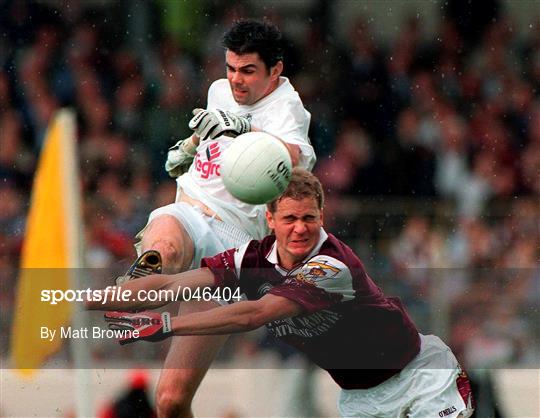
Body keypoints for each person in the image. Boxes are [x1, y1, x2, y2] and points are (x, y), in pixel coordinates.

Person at [89, 169, 475, 418]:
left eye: (309, 217)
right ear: (270, 220)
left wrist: (169, 323)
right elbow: (175, 283)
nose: (300, 228)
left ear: (321, 216)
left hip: (420, 380)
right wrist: (86, 299)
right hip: (362, 401)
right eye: (289, 218)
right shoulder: (251, 258)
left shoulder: (331, 265)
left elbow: (252, 315)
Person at [128, 20, 315, 418]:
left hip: (232, 252)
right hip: (191, 211)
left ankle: (152, 290)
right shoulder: (218, 90)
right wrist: (189, 146)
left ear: (275, 70)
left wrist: (244, 128)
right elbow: (208, 139)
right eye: (231, 68)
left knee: (171, 401)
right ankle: (145, 283)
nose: (236, 80)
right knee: (167, 240)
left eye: (248, 70)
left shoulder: (288, 107)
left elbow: (296, 157)